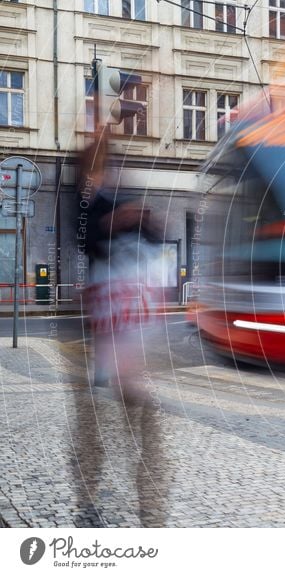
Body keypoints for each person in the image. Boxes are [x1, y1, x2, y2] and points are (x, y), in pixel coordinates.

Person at [71, 131, 168, 527]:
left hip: (124, 315)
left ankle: (147, 500)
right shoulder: (86, 204)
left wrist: (142, 219)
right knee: (99, 416)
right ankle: (93, 496)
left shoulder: (115, 193)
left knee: (135, 406)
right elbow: (86, 237)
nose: (99, 171)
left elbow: (154, 235)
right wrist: (117, 220)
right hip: (107, 317)